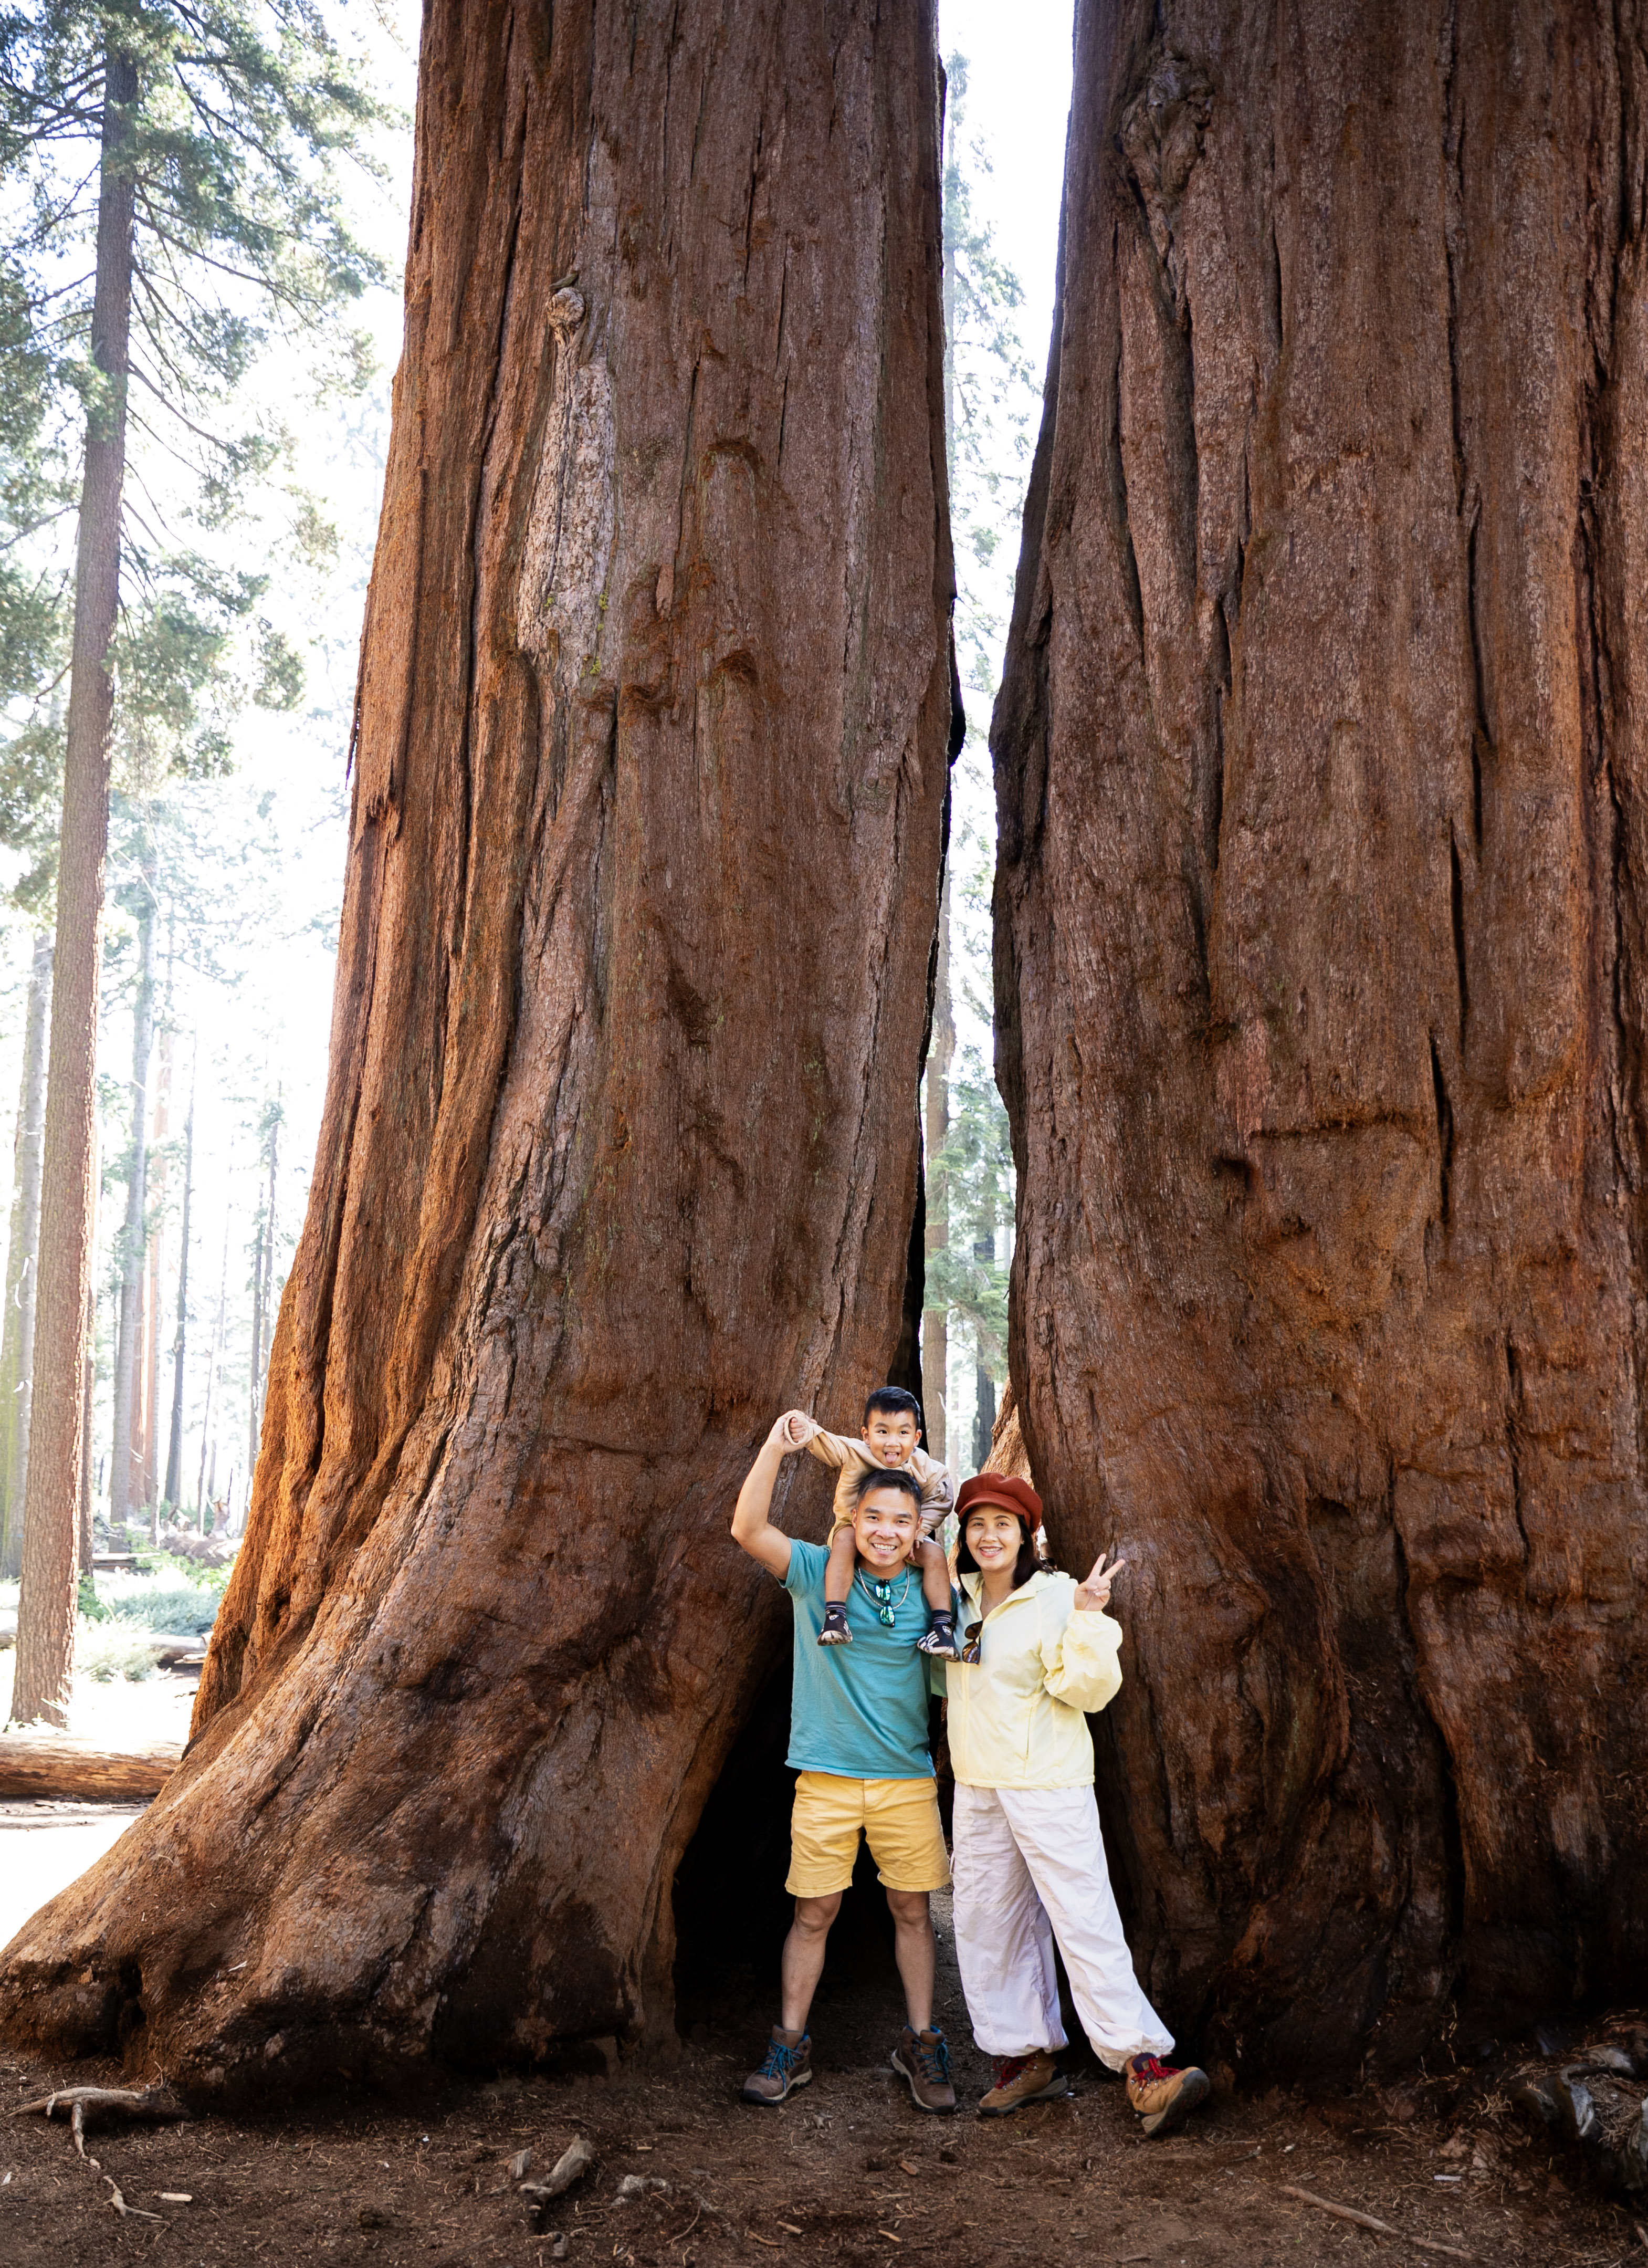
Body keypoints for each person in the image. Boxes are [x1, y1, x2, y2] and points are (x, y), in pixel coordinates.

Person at [941, 1472, 1210, 2137]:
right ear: (964, 1535)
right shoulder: (957, 1598)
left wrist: (1088, 1615)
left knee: (1083, 1920)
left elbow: (1087, 1691)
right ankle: (1028, 2057)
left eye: (1003, 1524)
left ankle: (1143, 2066)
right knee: (985, 1924)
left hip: (1048, 1782)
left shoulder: (1057, 1594)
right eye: (977, 1524)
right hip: (978, 1786)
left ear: (1026, 1534)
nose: (989, 1535)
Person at [730, 1413, 958, 2113]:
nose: (885, 1529)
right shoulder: (812, 1576)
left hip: (904, 1781)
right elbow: (746, 1530)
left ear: (916, 1526)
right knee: (813, 1911)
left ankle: (922, 2041)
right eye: (872, 1516)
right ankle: (789, 2044)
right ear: (852, 1518)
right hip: (825, 1780)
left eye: (899, 1518)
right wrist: (775, 1445)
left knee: (911, 1911)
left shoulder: (929, 1589)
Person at [780, 1388, 958, 1657]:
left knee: (934, 1553)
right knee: (846, 1540)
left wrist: (920, 1531)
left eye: (903, 1433)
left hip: (904, 1538)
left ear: (916, 1437)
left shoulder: (926, 1466)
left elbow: (943, 1495)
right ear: (866, 1435)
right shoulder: (857, 1452)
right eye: (882, 1432)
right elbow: (832, 1445)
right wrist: (806, 1431)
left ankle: (942, 1628)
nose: (892, 1443)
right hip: (854, 1530)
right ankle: (836, 1616)